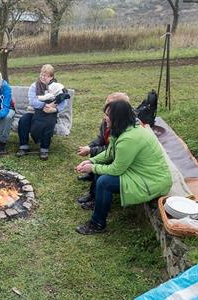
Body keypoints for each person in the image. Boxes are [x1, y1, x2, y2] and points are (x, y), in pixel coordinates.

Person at [75, 100, 172, 235]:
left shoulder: (129, 139)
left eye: (108, 115)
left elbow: (116, 170)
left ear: (117, 117)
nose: (105, 118)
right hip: (141, 172)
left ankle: (97, 224)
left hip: (152, 180)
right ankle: (99, 202)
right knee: (100, 169)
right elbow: (110, 153)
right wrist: (91, 161)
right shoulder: (124, 129)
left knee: (104, 182)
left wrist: (93, 168)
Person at [76, 92, 130, 210]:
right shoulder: (107, 120)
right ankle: (92, 189)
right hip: (110, 153)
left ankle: (95, 198)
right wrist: (89, 148)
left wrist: (91, 152)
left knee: (101, 167)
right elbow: (101, 138)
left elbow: (113, 152)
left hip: (121, 161)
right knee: (97, 162)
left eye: (109, 105)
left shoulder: (122, 127)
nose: (105, 112)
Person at [16, 64, 70, 160]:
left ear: (51, 77)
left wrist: (55, 109)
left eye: (45, 75)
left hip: (50, 113)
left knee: (49, 124)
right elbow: (33, 101)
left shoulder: (57, 87)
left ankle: (44, 148)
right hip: (34, 111)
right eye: (41, 74)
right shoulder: (34, 86)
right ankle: (23, 146)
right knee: (23, 120)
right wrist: (45, 105)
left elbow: (64, 101)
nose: (42, 77)